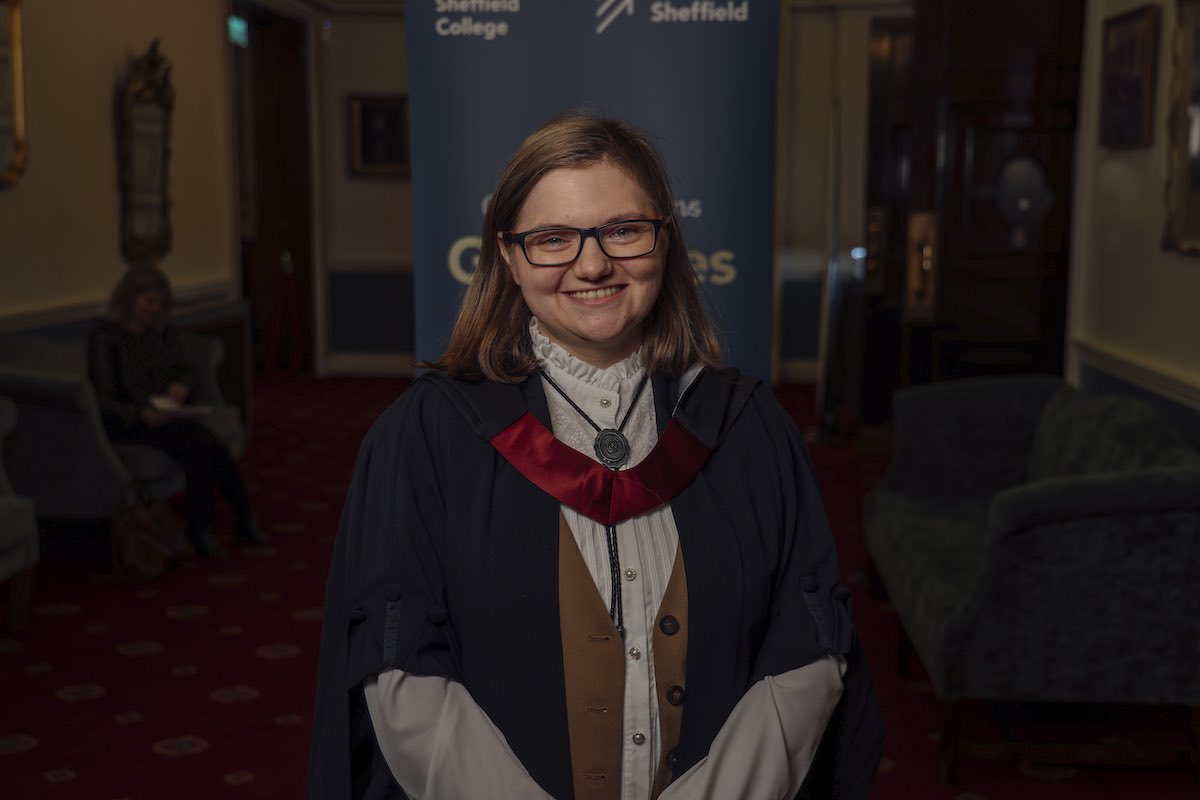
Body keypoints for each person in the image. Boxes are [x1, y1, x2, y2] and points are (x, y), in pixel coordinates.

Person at [308, 114, 882, 799]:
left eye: (623, 230)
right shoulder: (426, 438)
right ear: (510, 256)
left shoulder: (749, 428)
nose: (592, 264)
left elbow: (809, 642)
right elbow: (398, 668)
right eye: (552, 239)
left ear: (663, 240)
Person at [88, 264, 268, 559]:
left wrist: (180, 387)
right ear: (129, 298)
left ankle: (241, 519)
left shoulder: (159, 333)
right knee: (198, 444)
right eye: (148, 302)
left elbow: (184, 370)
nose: (153, 309)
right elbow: (103, 399)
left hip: (166, 415)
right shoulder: (105, 339)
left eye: (159, 303)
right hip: (129, 421)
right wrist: (141, 414)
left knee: (210, 444)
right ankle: (205, 528)